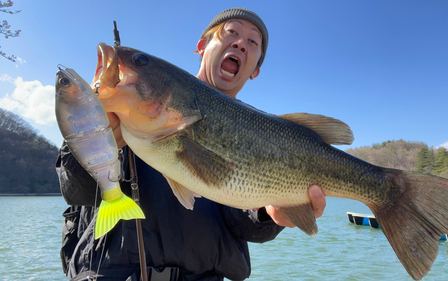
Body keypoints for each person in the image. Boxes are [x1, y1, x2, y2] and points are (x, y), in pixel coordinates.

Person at [57, 8, 326, 281]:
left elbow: (245, 227)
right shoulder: (130, 107)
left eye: (252, 42)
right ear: (202, 46)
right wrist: (94, 140)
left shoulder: (266, 137)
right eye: (231, 32)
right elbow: (75, 190)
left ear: (255, 70)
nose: (240, 43)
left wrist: (270, 216)